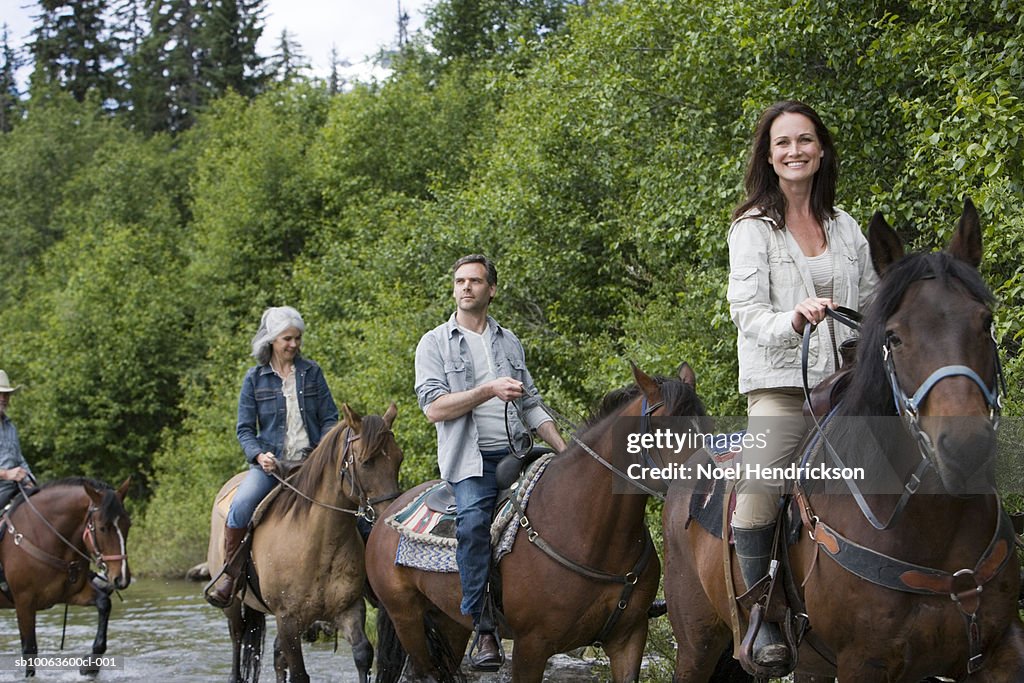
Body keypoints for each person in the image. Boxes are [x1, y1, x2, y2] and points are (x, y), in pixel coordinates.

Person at [726, 101, 878, 674]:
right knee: (762, 478)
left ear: (821, 150)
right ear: (769, 156)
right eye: (783, 143)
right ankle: (761, 611)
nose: (795, 151)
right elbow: (746, 310)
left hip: (846, 387)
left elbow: (872, 301)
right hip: (782, 385)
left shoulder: (846, 228)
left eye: (805, 140)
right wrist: (792, 319)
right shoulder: (751, 230)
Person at [415, 254, 566, 671]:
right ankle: (483, 629)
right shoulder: (434, 343)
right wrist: (488, 389)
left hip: (517, 450)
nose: (466, 287)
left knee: (577, 495)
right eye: (460, 281)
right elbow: (434, 409)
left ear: (491, 289)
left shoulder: (509, 341)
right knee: (473, 524)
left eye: (475, 281)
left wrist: (565, 450)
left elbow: (532, 404)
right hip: (471, 460)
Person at [206, 306, 339, 608]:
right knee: (240, 508)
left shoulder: (312, 373)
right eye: (287, 339)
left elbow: (330, 417)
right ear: (271, 341)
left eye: (297, 338)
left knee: (352, 509)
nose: (294, 344)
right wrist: (258, 456)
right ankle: (231, 576)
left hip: (312, 465)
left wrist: (322, 449)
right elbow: (244, 430)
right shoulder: (254, 379)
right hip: (272, 466)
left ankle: (366, 581)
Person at [0, 370, 34, 509]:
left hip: (15, 487)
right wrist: (6, 474)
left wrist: (31, 479)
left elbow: (19, 459)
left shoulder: (11, 427)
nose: (3, 398)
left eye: (6, 394)